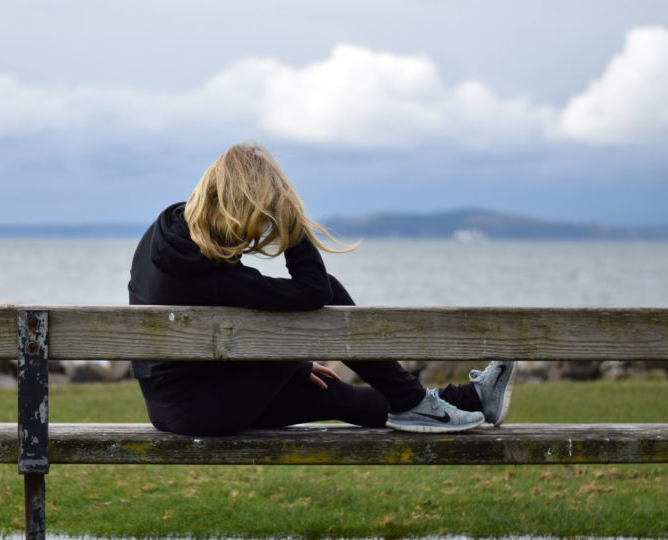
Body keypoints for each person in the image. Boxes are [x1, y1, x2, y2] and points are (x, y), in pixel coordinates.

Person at [128, 142, 515, 437]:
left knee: (334, 393)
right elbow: (315, 291)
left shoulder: (169, 233)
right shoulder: (205, 273)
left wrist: (290, 365)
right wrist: (291, 219)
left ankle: (474, 400)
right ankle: (413, 401)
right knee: (329, 290)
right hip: (201, 411)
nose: (256, 234)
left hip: (177, 401)